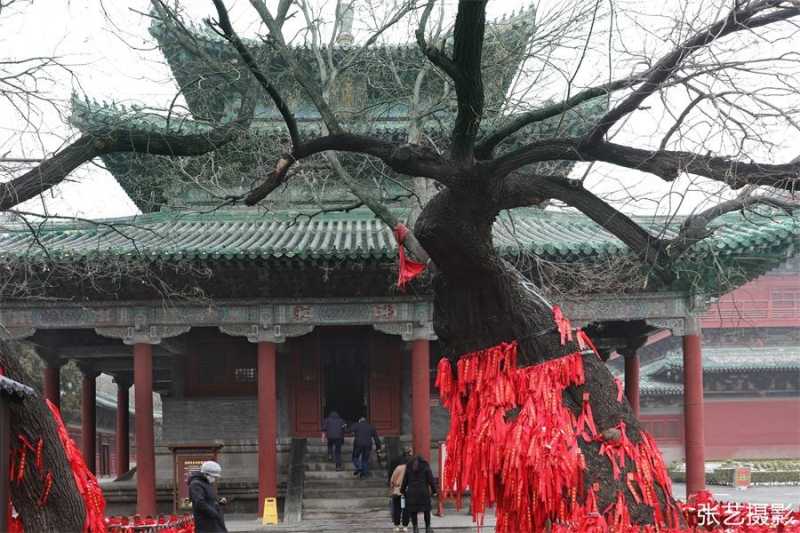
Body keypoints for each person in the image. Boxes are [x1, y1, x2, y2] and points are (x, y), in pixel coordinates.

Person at [188, 460, 228, 532]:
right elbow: (199, 503)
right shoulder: (196, 484)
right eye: (214, 477)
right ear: (206, 474)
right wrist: (214, 513)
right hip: (206, 522)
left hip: (213, 521)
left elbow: (210, 498)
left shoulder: (206, 483)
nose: (215, 479)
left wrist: (219, 501)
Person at [401, 455, 437, 533]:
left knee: (413, 511)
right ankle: (428, 528)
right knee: (426, 510)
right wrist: (434, 491)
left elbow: (404, 480)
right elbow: (431, 480)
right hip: (423, 492)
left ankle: (415, 528)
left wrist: (402, 490)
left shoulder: (409, 466)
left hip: (412, 492)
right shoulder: (425, 465)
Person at [389, 447, 413, 532]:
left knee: (397, 508)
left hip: (398, 490)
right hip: (408, 490)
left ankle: (397, 526)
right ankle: (405, 526)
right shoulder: (411, 468)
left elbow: (392, 479)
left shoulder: (398, 468)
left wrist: (392, 488)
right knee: (406, 509)